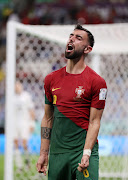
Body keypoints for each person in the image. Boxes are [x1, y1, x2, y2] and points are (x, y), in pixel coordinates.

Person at [36, 24, 107, 180]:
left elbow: (95, 121)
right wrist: (43, 153)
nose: (71, 39)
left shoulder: (97, 82)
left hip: (83, 151)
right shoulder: (51, 79)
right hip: (57, 153)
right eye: (71, 36)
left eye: (78, 38)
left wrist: (87, 153)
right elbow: (48, 118)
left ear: (87, 49)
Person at [14, 81, 35, 169]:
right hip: (14, 123)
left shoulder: (26, 96)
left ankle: (27, 161)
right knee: (15, 143)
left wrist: (32, 123)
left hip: (24, 122)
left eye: (18, 86)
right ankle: (19, 165)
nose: (17, 88)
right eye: (15, 86)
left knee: (24, 143)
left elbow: (31, 110)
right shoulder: (12, 97)